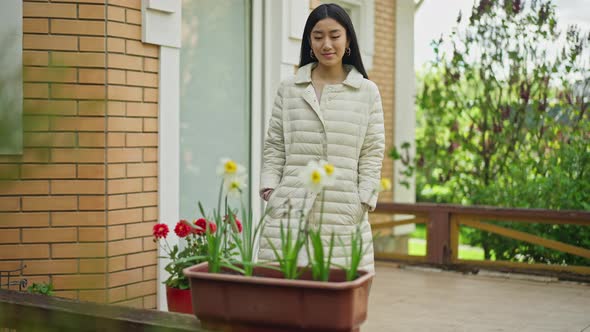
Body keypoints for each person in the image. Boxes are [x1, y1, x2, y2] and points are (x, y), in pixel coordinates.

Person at [258, 3, 385, 273]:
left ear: (348, 39)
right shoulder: (290, 88)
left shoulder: (367, 92)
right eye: (318, 36)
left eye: (334, 35)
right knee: (283, 297)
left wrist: (363, 199)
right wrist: (271, 187)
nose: (326, 44)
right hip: (290, 208)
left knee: (334, 304)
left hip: (342, 210)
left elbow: (372, 150)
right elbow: (275, 144)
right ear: (309, 41)